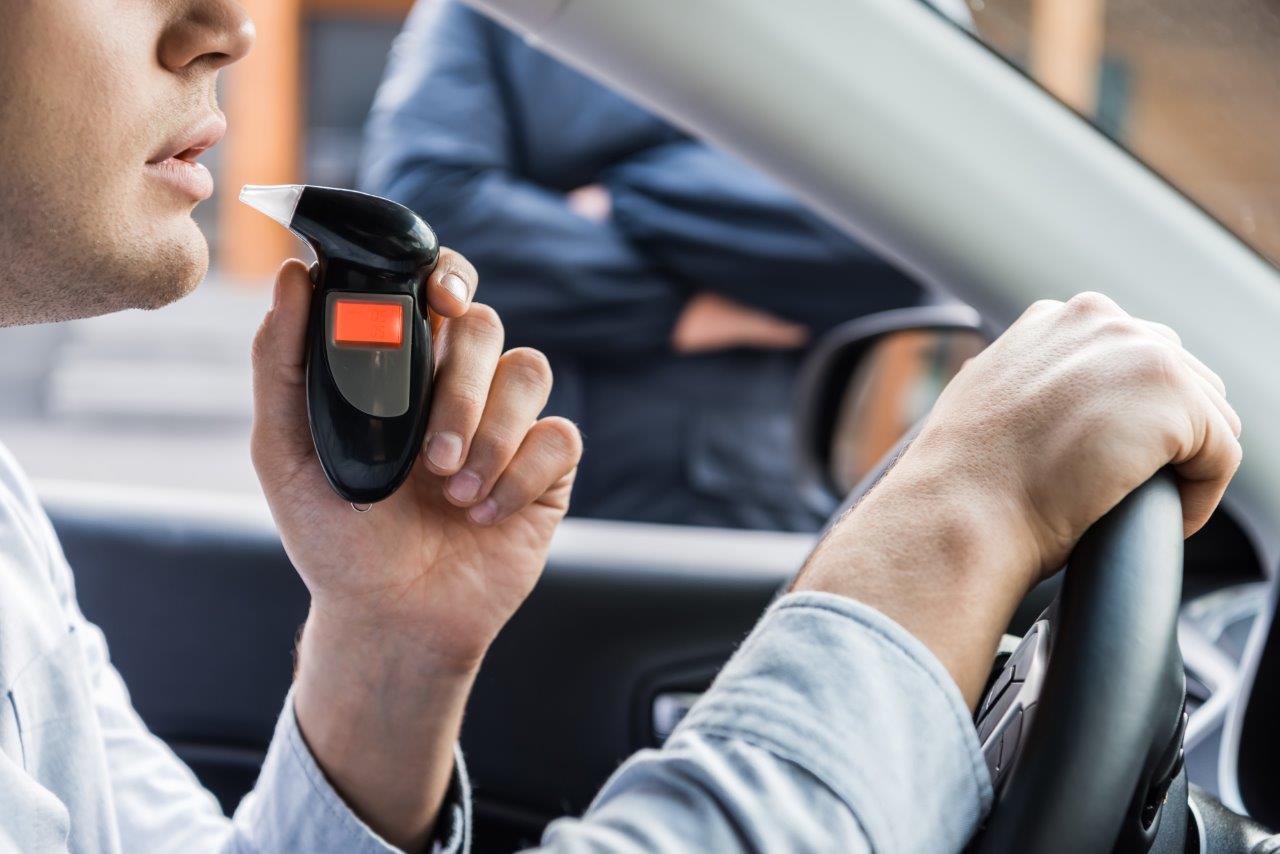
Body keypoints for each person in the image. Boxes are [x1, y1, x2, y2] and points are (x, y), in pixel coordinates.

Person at [0, 1, 1241, 852]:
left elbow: (848, 248)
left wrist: (383, 646)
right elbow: (434, 195)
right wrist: (954, 521)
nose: (227, 25)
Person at [360, 0, 927, 532]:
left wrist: (620, 198)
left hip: (734, 504)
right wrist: (685, 309)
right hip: (505, 480)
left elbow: (887, 238)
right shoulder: (485, 12)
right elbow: (428, 219)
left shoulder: (814, 18)